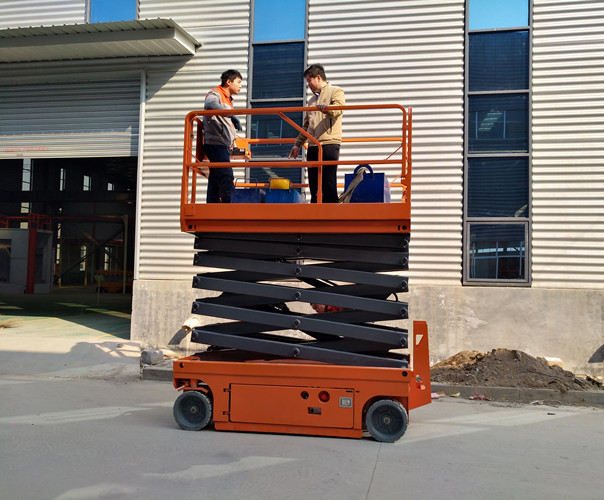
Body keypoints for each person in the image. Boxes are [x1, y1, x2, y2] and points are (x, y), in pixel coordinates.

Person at [289, 64, 345, 203]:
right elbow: (307, 126)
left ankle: (332, 211)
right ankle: (316, 210)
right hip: (313, 145)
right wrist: (297, 144)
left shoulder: (335, 91)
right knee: (314, 182)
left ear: (318, 77)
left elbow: (339, 109)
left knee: (328, 180)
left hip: (329, 142)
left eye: (309, 80)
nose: (308, 84)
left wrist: (327, 109)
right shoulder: (311, 101)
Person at [203, 69, 243, 203]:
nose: (240, 86)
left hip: (223, 145)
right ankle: (229, 205)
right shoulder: (216, 93)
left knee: (215, 177)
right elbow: (209, 104)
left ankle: (212, 205)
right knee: (226, 175)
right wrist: (231, 114)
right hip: (216, 143)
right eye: (238, 82)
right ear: (228, 82)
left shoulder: (228, 99)